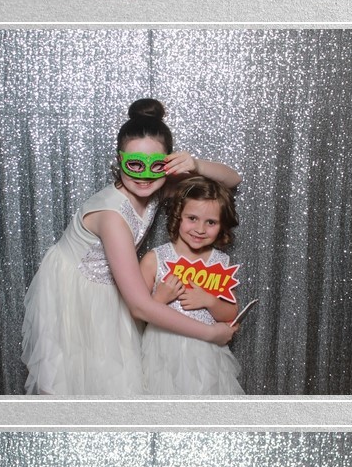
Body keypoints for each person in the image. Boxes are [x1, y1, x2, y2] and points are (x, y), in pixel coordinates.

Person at [22, 98, 241, 398]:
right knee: (73, 383)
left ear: (167, 163)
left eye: (156, 165)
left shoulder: (157, 185)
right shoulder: (112, 216)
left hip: (115, 287)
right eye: (134, 164)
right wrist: (210, 333)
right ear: (119, 160)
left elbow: (232, 180)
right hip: (74, 293)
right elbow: (139, 306)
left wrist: (195, 165)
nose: (144, 174)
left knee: (116, 382)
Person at [140, 177, 245, 397]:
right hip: (162, 354)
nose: (200, 229)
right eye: (192, 218)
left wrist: (210, 301)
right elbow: (136, 314)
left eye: (211, 222)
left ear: (222, 226)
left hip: (207, 358)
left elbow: (231, 313)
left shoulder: (220, 263)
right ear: (178, 215)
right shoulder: (154, 259)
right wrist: (159, 299)